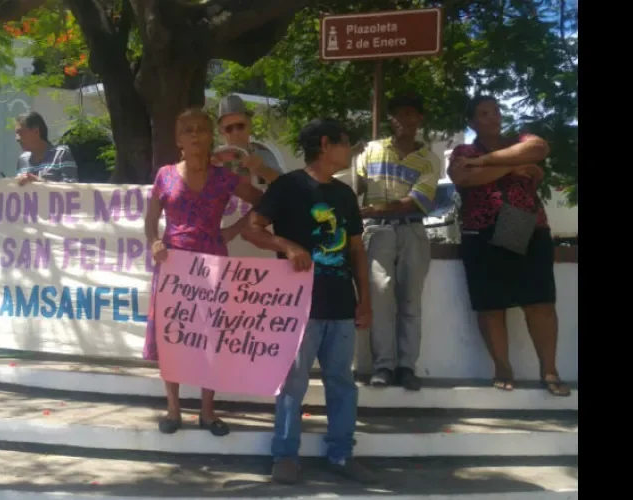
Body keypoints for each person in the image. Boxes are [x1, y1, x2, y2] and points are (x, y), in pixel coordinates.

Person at [242, 118, 374, 485]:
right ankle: (285, 456)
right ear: (326, 143)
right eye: (346, 142)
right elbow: (253, 229)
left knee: (342, 384)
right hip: (297, 307)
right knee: (292, 384)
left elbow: (357, 250)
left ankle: (342, 453)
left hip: (341, 306)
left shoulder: (345, 195)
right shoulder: (288, 186)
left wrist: (365, 301)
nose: (351, 150)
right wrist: (286, 245)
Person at [144, 107, 263, 437]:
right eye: (187, 131)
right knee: (173, 336)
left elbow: (263, 201)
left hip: (212, 260)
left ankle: (207, 412)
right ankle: (173, 409)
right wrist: (154, 242)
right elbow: (151, 219)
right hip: (174, 264)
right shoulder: (165, 175)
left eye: (201, 129)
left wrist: (235, 228)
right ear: (178, 140)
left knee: (211, 336)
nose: (195, 135)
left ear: (211, 137)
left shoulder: (225, 178)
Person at [448, 95, 570, 397]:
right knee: (491, 305)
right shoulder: (464, 150)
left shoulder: (519, 139)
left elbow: (540, 148)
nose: (493, 118)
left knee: (539, 301)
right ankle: (502, 367)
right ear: (472, 122)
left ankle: (549, 370)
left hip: (523, 222)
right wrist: (512, 166)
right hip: (481, 227)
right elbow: (463, 176)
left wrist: (486, 162)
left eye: (496, 111)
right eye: (484, 114)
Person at [355, 94, 441, 391]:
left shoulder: (430, 159)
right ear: (390, 120)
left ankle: (407, 367)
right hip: (377, 231)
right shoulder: (371, 150)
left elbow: (415, 202)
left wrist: (379, 207)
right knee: (380, 297)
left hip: (412, 230)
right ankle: (383, 367)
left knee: (410, 302)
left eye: (411, 114)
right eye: (398, 114)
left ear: (420, 119)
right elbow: (357, 187)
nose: (404, 120)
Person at [213, 94, 283, 185]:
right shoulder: (214, 158)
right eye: (229, 128)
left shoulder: (263, 154)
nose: (235, 132)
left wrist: (264, 170)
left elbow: (285, 186)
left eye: (240, 126)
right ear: (221, 131)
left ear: (249, 125)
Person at [14, 112, 78, 185]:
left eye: (20, 133)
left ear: (36, 131)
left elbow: (72, 188)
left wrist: (39, 182)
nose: (17, 139)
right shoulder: (23, 159)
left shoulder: (61, 154)